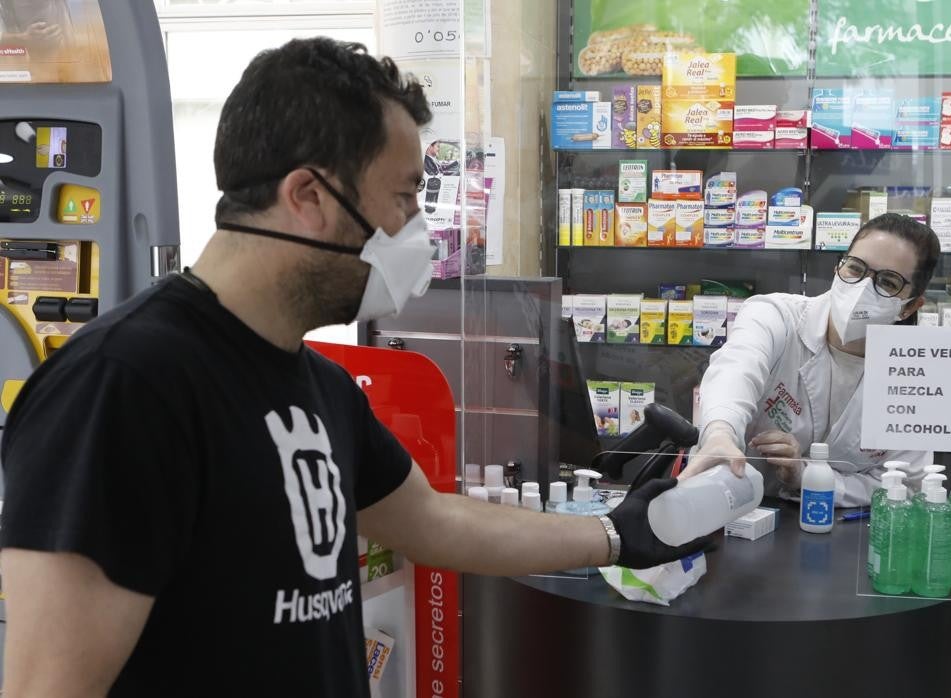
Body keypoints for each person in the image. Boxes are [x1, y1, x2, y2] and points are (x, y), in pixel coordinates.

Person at [0, 38, 706, 697]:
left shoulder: (319, 384)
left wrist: (616, 533)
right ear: (309, 197)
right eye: (403, 199)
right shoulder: (121, 387)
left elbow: (431, 522)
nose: (418, 231)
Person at [682, 213, 940, 506]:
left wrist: (804, 476)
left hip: (842, 528)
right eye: (855, 268)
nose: (863, 288)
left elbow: (904, 482)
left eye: (888, 282)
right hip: (734, 508)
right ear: (838, 267)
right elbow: (736, 368)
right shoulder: (776, 315)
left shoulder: (914, 372)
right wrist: (720, 431)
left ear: (909, 307)